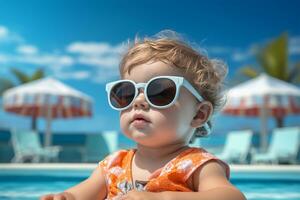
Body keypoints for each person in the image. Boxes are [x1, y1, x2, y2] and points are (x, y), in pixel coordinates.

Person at [41, 31, 246, 200]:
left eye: (159, 92)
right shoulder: (113, 165)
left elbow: (232, 197)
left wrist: (163, 198)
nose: (138, 101)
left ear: (199, 114)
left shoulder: (197, 165)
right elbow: (79, 195)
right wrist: (65, 197)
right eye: (126, 93)